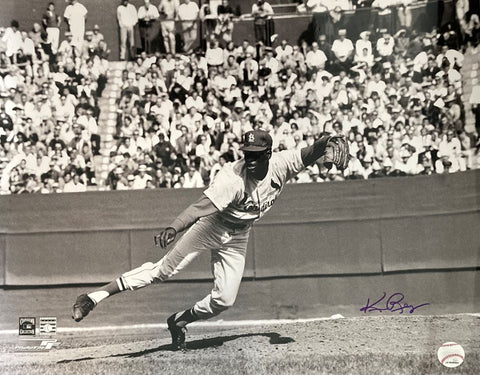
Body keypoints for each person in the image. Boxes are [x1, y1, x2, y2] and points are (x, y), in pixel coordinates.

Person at [71, 129, 348, 350]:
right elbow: (199, 208)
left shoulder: (282, 164)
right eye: (246, 153)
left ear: (268, 153)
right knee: (162, 271)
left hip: (239, 235)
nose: (250, 159)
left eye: (256, 154)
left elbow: (311, 152)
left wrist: (326, 142)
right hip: (211, 226)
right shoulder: (232, 178)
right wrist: (174, 227)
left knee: (224, 300)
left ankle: (179, 322)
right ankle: (93, 297)